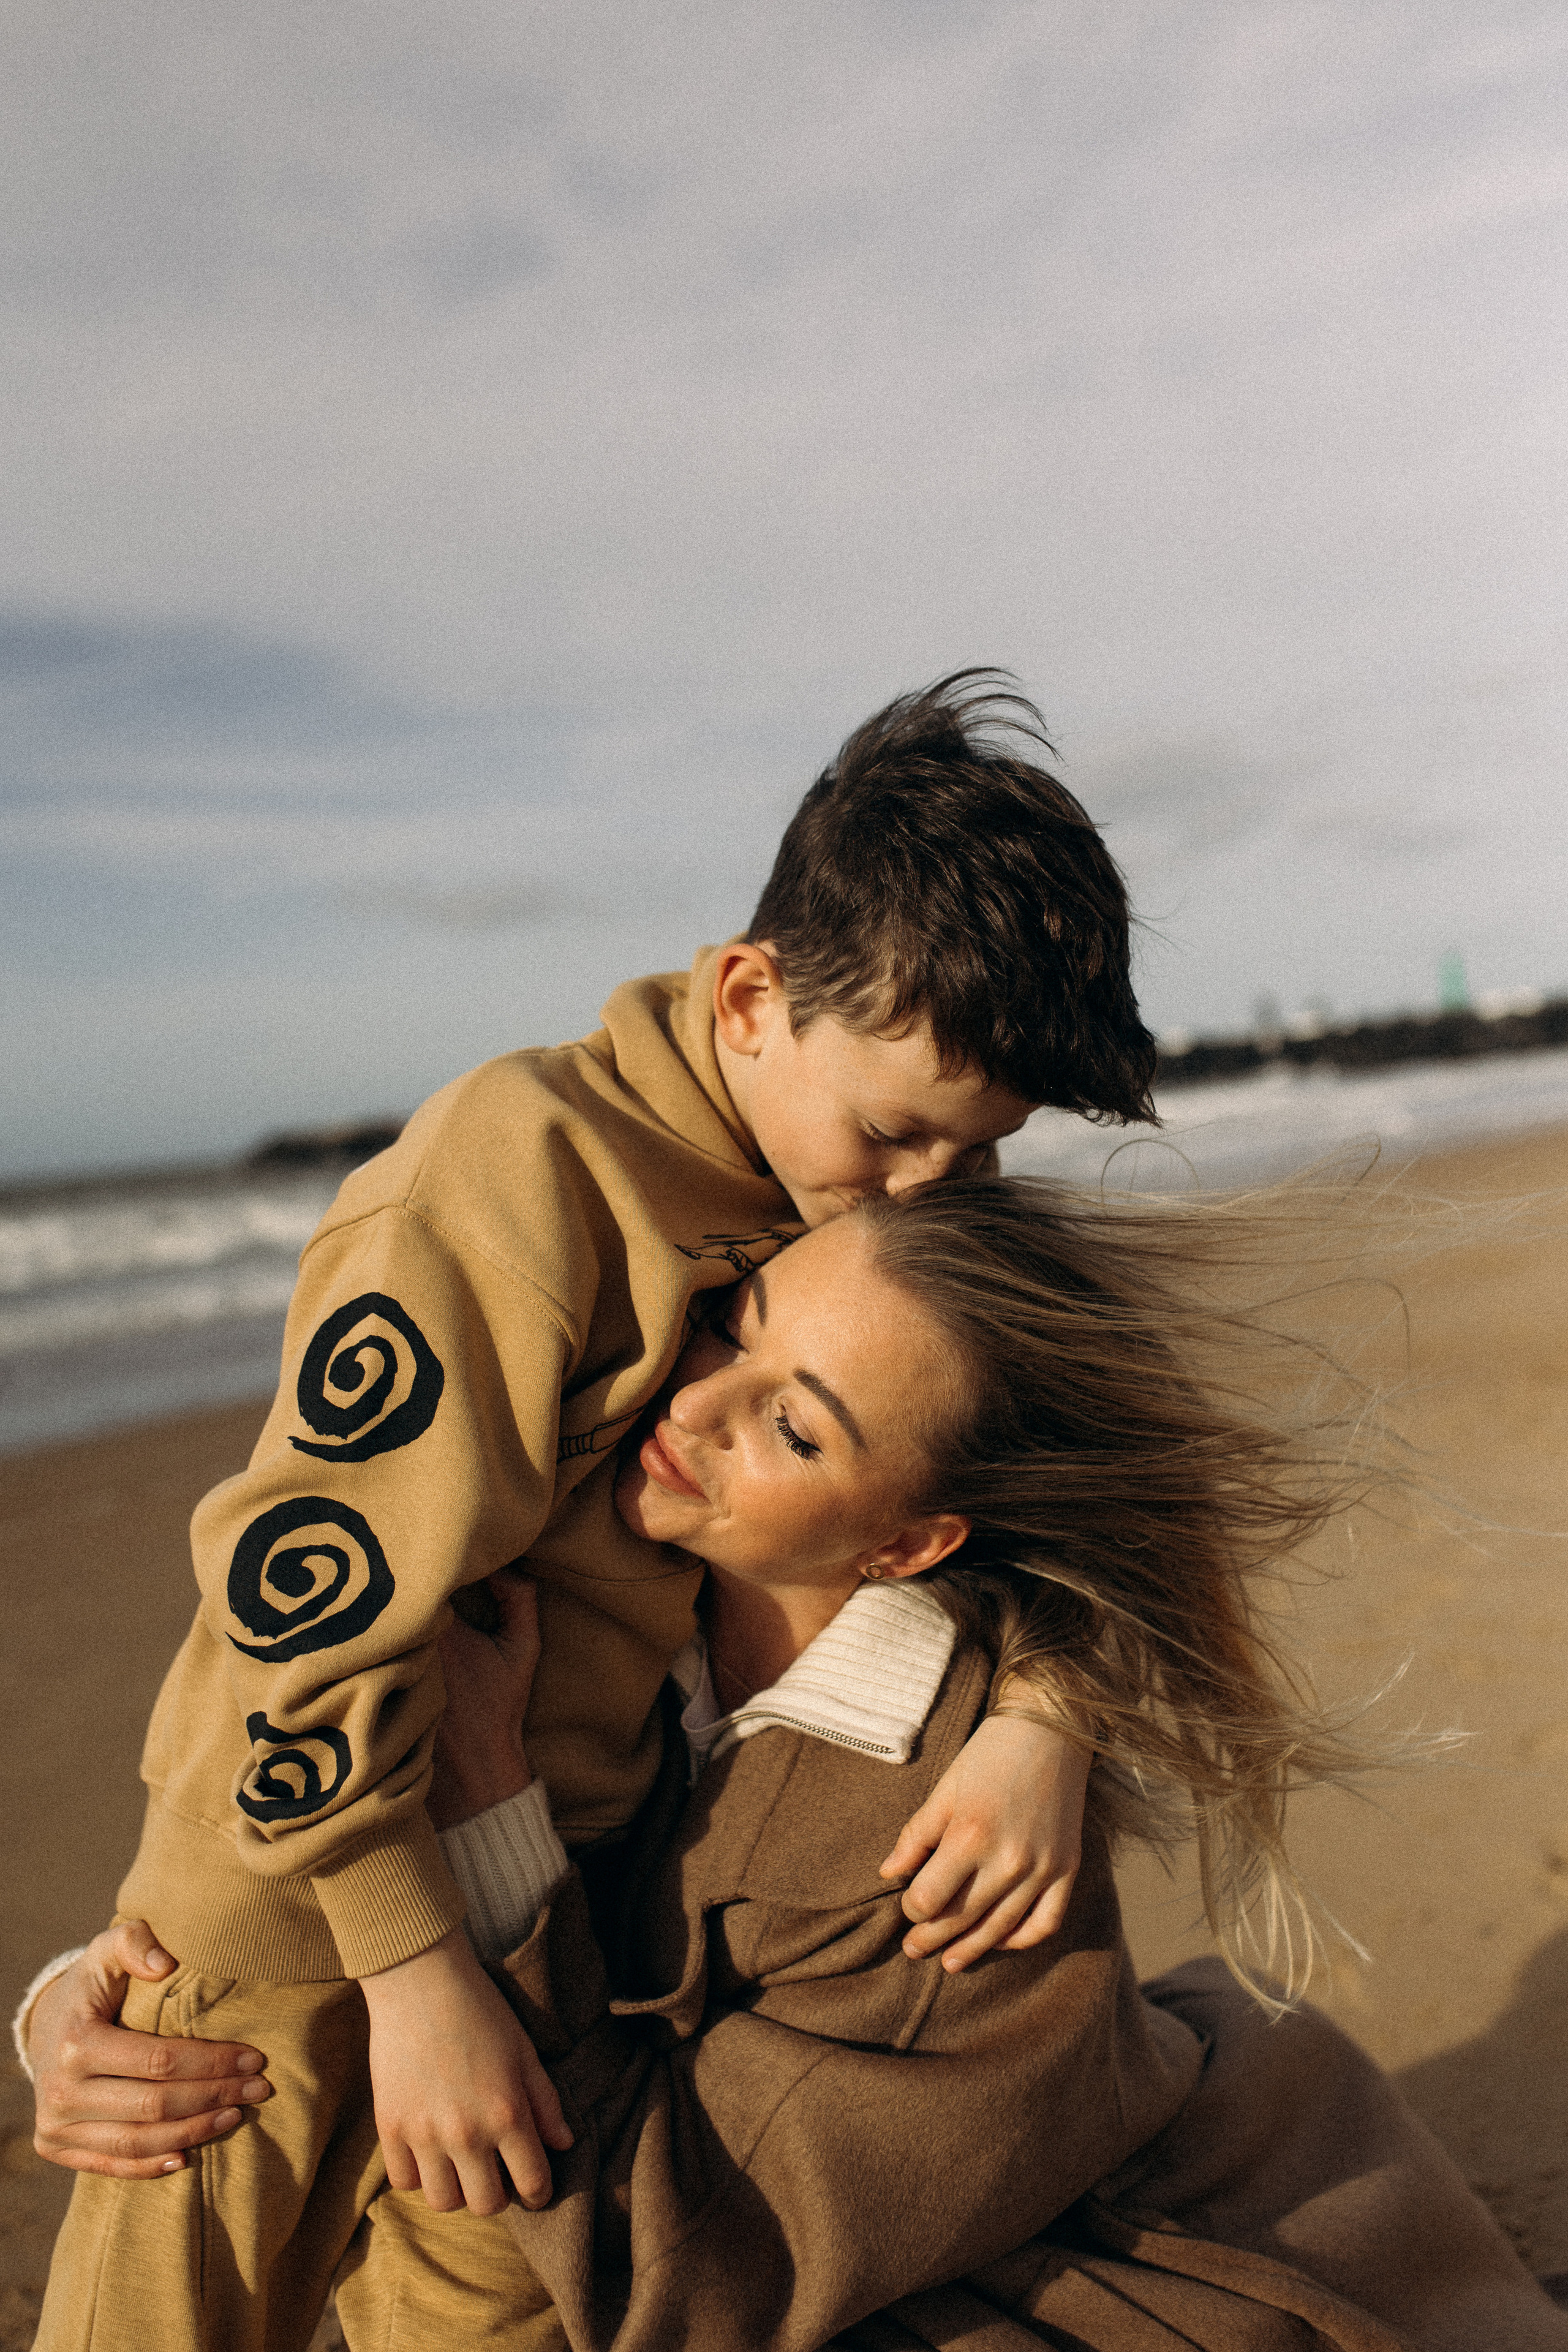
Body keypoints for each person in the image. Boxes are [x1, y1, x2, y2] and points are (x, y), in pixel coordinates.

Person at [20, 677, 1163, 2351]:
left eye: (973, 1154)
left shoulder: (839, 1186)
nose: (929, 1196)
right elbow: (308, 1595)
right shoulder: (522, 1172)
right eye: (897, 1134)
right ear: (754, 995)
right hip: (310, 1903)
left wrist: (1048, 1719)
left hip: (569, 1910)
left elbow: (1099, 1480)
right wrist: (409, 1975)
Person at [29, 1181, 1568, 2348]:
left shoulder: (946, 1875)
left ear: (906, 1544)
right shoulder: (590, 1580)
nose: (691, 1407)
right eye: (737, 1324)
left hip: (943, 2251)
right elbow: (274, 1808)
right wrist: (85, 2008)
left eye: (794, 1429)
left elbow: (681, 2270)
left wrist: (493, 1813)